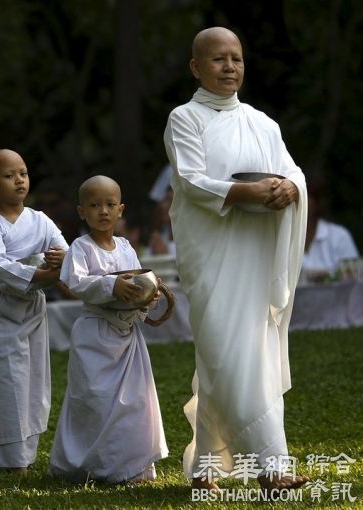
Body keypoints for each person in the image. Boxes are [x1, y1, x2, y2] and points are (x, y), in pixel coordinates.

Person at [163, 27, 309, 491]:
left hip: (257, 247)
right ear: (195, 68)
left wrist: (291, 188)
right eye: (218, 59)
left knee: (239, 355)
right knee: (224, 350)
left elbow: (292, 172)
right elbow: (189, 180)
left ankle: (207, 470)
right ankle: (272, 468)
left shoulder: (264, 123)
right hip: (211, 252)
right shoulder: (184, 118)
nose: (229, 67)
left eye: (237, 59)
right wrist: (244, 191)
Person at [48, 175, 168, 484]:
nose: (103, 211)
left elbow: (139, 280)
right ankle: (89, 464)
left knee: (135, 400)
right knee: (94, 400)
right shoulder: (80, 248)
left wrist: (148, 296)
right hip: (95, 333)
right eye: (94, 205)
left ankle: (132, 466)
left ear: (121, 210)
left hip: (127, 338)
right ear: (81, 211)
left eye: (110, 204)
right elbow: (75, 283)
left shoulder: (126, 247)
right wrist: (111, 284)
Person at [0, 149, 68, 473]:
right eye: (9, 176)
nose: (19, 180)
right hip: (0, 313)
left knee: (32, 383)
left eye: (22, 173)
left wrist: (60, 263)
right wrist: (44, 274)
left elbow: (64, 250)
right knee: (7, 382)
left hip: (32, 311)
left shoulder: (40, 220)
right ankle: (13, 462)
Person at [302, 176, 359, 279]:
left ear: (316, 203)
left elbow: (354, 279)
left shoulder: (340, 236)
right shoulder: (283, 239)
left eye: (305, 197)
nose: (300, 203)